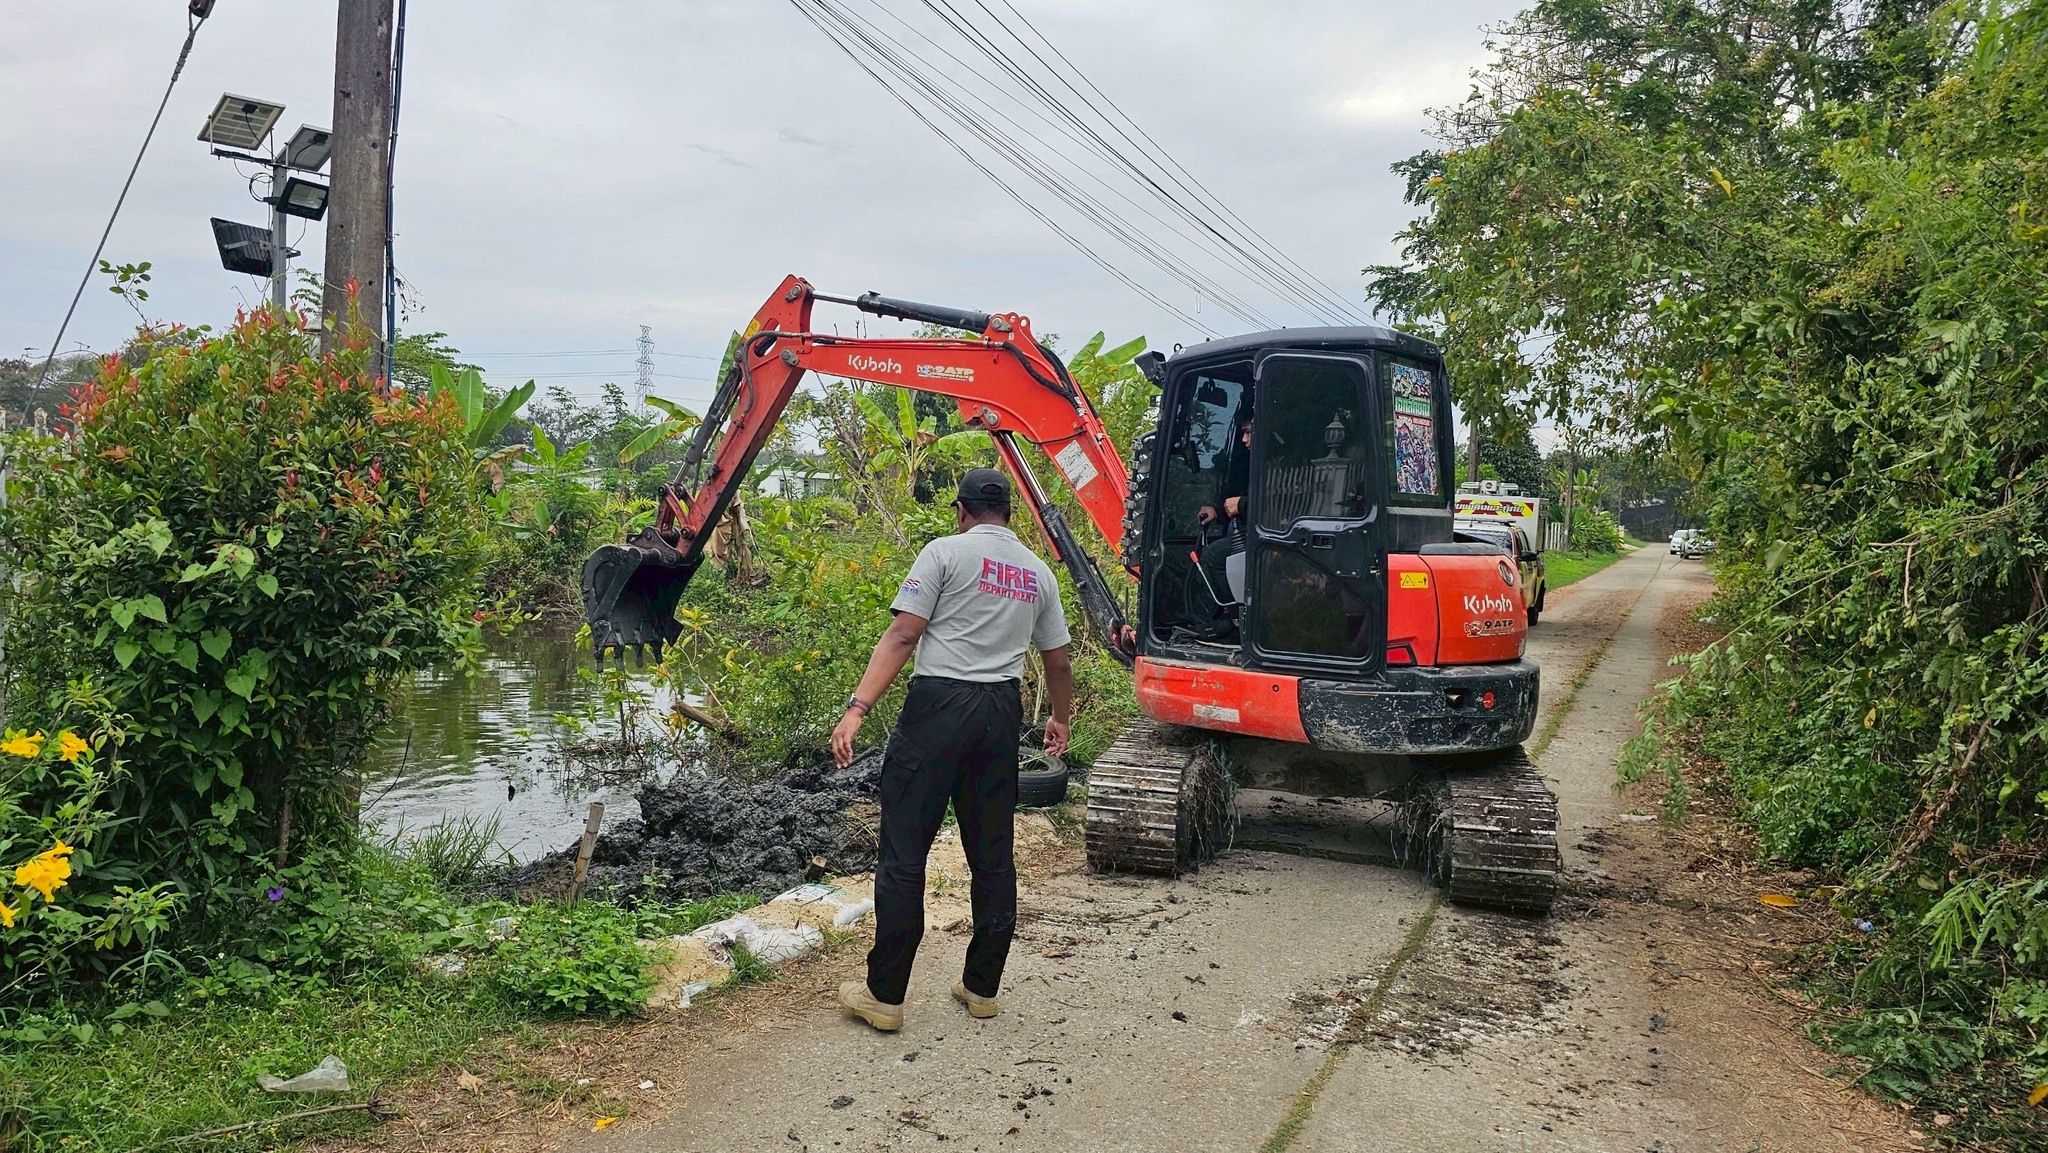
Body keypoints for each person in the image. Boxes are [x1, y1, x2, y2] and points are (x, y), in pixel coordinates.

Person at [830, 467, 1074, 1032]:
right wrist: (1059, 718)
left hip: (938, 708)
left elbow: (903, 634)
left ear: (961, 510)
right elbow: (1058, 661)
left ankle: (885, 996)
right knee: (992, 855)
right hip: (1000, 714)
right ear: (1008, 512)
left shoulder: (943, 553)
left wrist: (858, 707)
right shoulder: (1037, 572)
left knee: (904, 851)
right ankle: (982, 987)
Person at [1195, 413, 1253, 617]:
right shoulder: (1253, 464)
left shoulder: (1277, 464)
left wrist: (1243, 504)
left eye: (1248, 432)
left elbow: (1276, 500)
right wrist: (1218, 512)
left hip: (1269, 538)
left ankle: (1240, 616)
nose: (1244, 439)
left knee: (1216, 555)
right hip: (1250, 532)